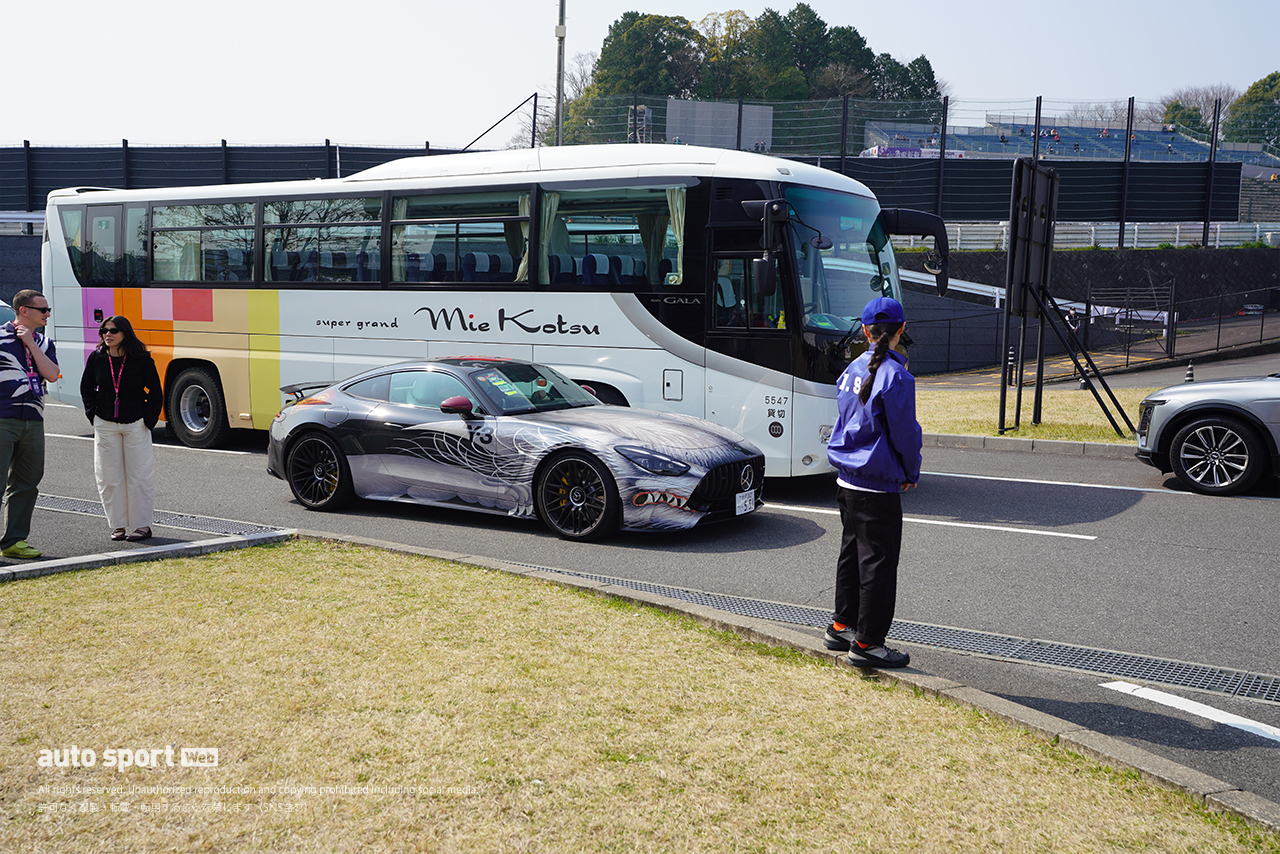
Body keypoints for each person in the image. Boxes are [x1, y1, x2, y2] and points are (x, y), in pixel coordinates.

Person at [823, 297, 922, 669]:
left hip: (847, 478)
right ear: (901, 330)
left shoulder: (852, 368)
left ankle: (841, 626)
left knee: (851, 553)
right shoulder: (897, 376)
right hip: (877, 484)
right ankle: (868, 643)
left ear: (865, 331)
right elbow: (905, 435)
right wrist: (910, 472)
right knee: (878, 564)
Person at [80, 316, 162, 542]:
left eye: (113, 330)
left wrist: (148, 420)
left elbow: (156, 391)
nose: (108, 334)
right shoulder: (97, 358)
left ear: (125, 333)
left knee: (139, 475)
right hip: (105, 424)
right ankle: (118, 525)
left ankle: (142, 525)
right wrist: (93, 415)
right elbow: (87, 388)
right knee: (109, 477)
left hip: (135, 423)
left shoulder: (141, 359)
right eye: (104, 331)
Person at [0, 290, 60, 558]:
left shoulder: (44, 342)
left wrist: (31, 344)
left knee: (27, 482)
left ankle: (13, 541)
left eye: (48, 310)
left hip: (33, 420)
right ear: (24, 310)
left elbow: (52, 375)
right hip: (3, 417)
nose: (47, 314)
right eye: (43, 310)